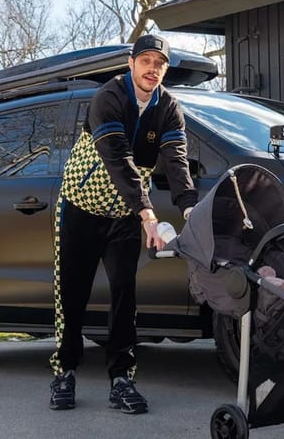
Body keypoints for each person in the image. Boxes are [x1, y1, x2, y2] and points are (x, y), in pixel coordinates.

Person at [48, 34, 198, 414]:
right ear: (131, 63)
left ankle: (121, 379)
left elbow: (176, 161)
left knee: (124, 295)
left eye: (159, 64)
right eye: (145, 61)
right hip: (81, 208)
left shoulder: (169, 109)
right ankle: (64, 373)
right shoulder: (109, 97)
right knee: (72, 296)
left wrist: (189, 209)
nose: (152, 69)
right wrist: (147, 212)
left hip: (125, 216)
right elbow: (117, 158)